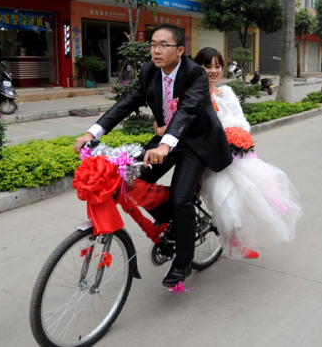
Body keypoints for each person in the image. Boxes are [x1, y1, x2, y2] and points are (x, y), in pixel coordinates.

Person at [74, 24, 232, 287]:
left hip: (196, 142)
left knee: (181, 199)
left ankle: (183, 262)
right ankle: (168, 219)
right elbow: (127, 103)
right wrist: (94, 132)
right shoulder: (149, 71)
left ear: (180, 50)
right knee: (128, 178)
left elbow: (188, 111)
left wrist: (165, 145)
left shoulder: (195, 74)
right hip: (165, 139)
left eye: (163, 45)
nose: (156, 51)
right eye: (153, 44)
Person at [191, 47, 302, 259]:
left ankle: (239, 238)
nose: (213, 71)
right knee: (226, 193)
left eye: (217, 66)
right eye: (207, 66)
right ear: (198, 67)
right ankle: (232, 236)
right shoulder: (192, 95)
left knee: (248, 187)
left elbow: (242, 120)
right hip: (208, 154)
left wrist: (238, 137)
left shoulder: (228, 93)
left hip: (232, 152)